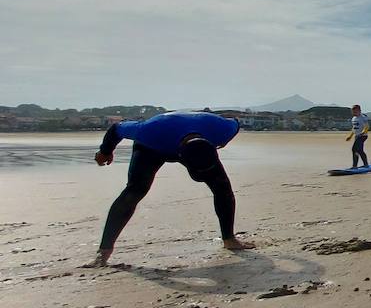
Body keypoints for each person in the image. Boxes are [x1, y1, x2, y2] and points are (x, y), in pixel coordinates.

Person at [88, 111, 251, 267]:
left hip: (199, 139)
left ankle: (229, 240)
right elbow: (117, 128)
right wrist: (105, 151)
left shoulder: (224, 129)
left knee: (222, 187)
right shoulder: (148, 131)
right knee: (135, 191)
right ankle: (104, 251)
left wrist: (220, 138)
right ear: (181, 157)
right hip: (152, 147)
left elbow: (234, 120)